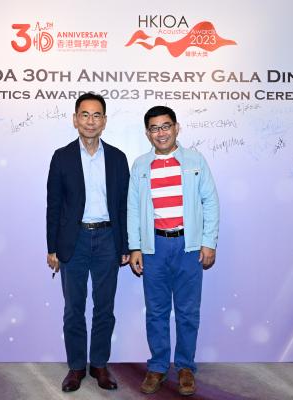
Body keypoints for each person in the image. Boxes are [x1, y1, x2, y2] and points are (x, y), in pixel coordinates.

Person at [127, 106, 219, 396]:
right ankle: (157, 367)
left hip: (188, 247)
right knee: (156, 311)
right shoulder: (140, 165)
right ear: (147, 133)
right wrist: (135, 247)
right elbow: (132, 209)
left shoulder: (195, 160)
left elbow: (210, 201)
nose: (161, 133)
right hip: (154, 247)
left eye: (166, 126)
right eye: (154, 128)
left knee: (187, 311)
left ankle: (185, 367)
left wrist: (208, 241)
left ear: (176, 127)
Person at [46, 92, 130, 392]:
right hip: (74, 241)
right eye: (85, 114)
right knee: (73, 309)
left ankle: (99, 364)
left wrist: (126, 245)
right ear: (75, 119)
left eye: (96, 115)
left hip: (108, 239)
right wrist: (52, 247)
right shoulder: (62, 157)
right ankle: (76, 367)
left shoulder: (118, 158)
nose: (90, 121)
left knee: (104, 308)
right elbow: (54, 205)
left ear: (104, 121)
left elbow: (124, 206)